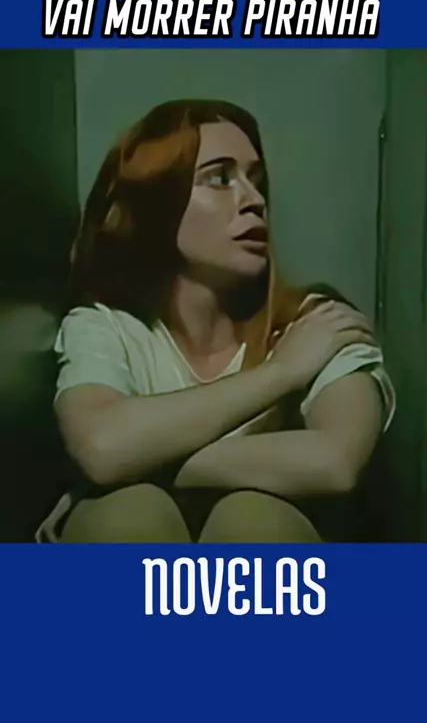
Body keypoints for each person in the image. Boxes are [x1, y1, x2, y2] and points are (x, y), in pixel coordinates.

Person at [37, 99, 395, 544]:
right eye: (220, 178)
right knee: (126, 517)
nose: (254, 200)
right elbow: (102, 446)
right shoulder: (104, 327)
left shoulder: (316, 324)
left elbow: (334, 462)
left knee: (255, 521)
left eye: (256, 180)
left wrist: (140, 460)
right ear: (157, 200)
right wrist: (281, 372)